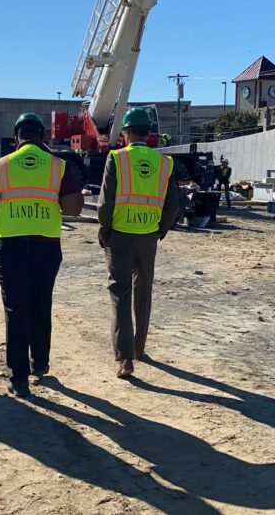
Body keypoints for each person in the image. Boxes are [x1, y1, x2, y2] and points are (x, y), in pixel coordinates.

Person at [0, 113, 83, 397]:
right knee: (41, 305)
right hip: (46, 247)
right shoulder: (58, 167)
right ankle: (40, 363)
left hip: (10, 248)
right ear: (43, 138)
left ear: (16, 138)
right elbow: (74, 208)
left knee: (16, 309)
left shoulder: (0, 167)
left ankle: (19, 377)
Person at [97, 107, 180, 379]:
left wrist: (104, 230)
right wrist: (160, 231)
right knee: (144, 291)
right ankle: (140, 348)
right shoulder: (164, 163)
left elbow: (105, 201)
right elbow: (173, 205)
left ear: (126, 132)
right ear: (149, 132)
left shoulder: (117, 158)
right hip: (148, 237)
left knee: (120, 294)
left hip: (120, 235)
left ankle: (125, 359)